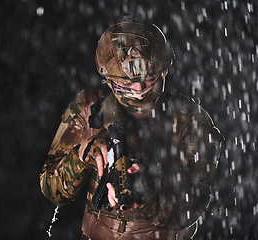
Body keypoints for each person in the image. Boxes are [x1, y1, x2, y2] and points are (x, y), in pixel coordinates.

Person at [40, 17, 224, 240]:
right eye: (126, 82)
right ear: (108, 80)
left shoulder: (190, 120)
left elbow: (194, 206)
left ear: (164, 70)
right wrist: (80, 158)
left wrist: (149, 193)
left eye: (149, 78)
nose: (138, 88)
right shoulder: (89, 109)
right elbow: (52, 190)